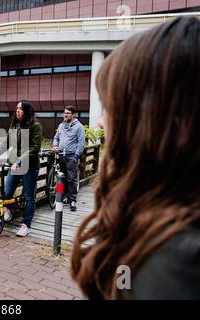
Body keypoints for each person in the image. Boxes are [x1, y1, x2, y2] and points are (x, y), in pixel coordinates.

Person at [71, 16, 200, 299]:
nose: (102, 121)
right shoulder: (158, 225)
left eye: (110, 104)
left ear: (151, 120)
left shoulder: (173, 267)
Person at [0, 100, 43, 237]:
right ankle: (8, 210)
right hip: (15, 165)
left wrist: (19, 160)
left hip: (29, 166)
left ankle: (26, 224)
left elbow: (35, 148)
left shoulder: (36, 126)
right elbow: (7, 143)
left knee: (29, 197)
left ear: (27, 111)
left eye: (20, 108)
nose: (17, 110)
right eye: (17, 108)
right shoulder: (15, 125)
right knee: (6, 192)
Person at [52, 106, 85, 211]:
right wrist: (55, 146)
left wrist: (76, 156)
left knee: (72, 179)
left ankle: (73, 201)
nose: (65, 115)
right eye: (64, 113)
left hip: (71, 156)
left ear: (73, 114)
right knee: (63, 178)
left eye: (68, 113)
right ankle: (64, 197)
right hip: (61, 155)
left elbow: (81, 143)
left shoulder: (79, 127)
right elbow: (56, 138)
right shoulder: (61, 125)